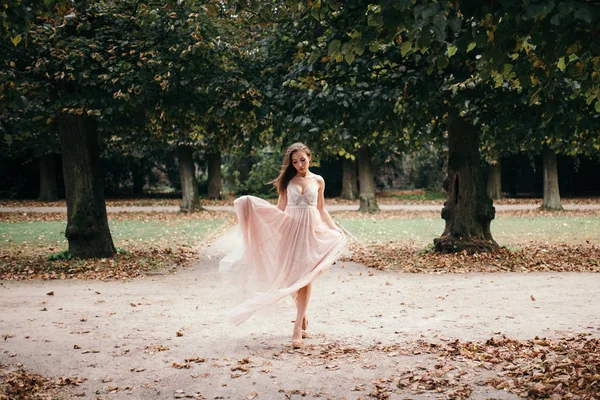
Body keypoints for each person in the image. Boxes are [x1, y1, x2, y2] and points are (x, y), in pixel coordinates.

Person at [219, 142, 346, 348]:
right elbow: (280, 209)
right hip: (291, 230)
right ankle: (302, 314)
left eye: (302, 160)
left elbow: (322, 210)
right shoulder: (287, 181)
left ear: (309, 157)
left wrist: (335, 229)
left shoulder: (318, 180)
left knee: (306, 278)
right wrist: (255, 208)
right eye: (295, 162)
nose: (299, 165)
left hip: (311, 232)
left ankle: (297, 326)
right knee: (291, 278)